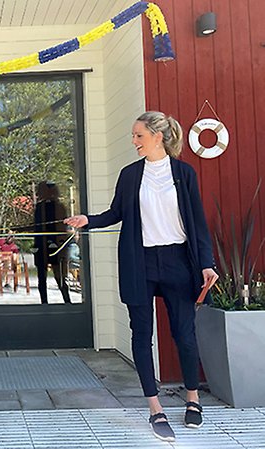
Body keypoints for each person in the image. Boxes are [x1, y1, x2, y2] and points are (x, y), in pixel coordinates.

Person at [64, 111, 219, 442]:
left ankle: (193, 399)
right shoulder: (130, 175)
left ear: (157, 136)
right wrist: (86, 220)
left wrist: (206, 263)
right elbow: (116, 213)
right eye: (133, 136)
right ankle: (155, 408)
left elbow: (198, 224)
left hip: (179, 261)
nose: (134, 141)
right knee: (141, 333)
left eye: (138, 136)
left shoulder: (184, 174)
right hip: (141, 261)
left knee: (184, 334)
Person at [34, 181, 71, 304]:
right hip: (48, 245)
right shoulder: (44, 207)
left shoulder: (55, 207)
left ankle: (63, 302)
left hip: (53, 246)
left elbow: (42, 227)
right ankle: (63, 302)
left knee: (56, 277)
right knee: (50, 277)